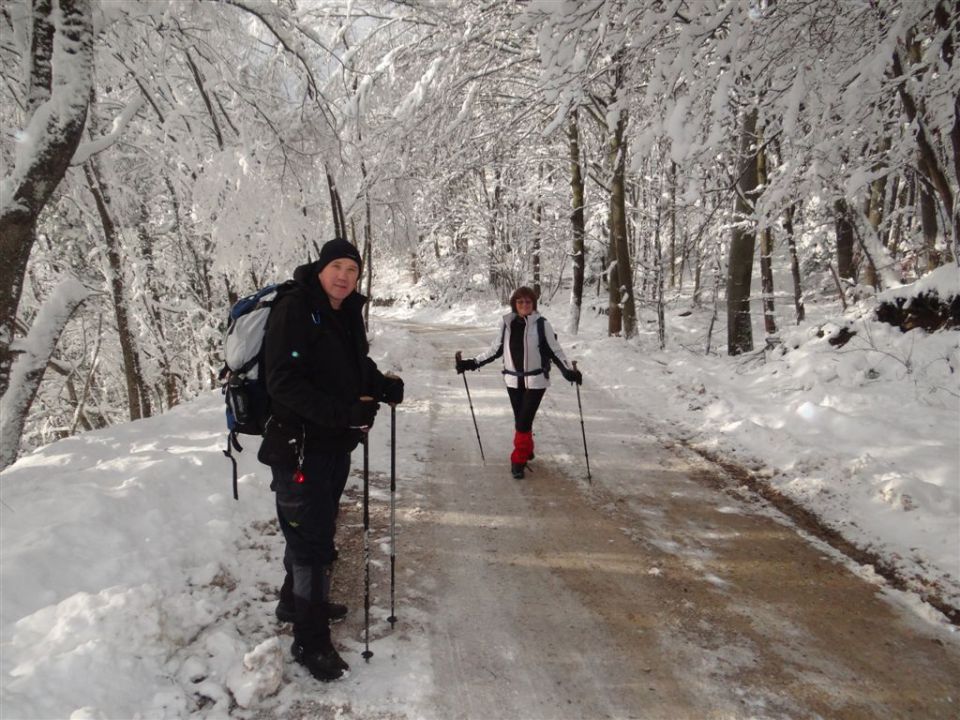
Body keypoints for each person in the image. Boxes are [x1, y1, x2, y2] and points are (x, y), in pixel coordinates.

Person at [257, 237, 404, 682]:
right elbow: (281, 382)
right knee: (311, 545)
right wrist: (344, 413)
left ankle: (294, 600)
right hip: (299, 448)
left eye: (353, 270)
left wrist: (380, 384)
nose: (345, 276)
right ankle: (310, 639)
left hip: (333, 445)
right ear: (320, 268)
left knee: (315, 531)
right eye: (337, 266)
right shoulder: (295, 309)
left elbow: (352, 364)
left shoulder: (343, 312)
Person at [456, 286, 581, 479]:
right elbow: (495, 350)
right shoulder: (507, 324)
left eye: (528, 302)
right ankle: (527, 448)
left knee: (523, 421)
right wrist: (472, 363)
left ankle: (518, 459)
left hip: (537, 380)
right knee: (521, 419)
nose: (524, 305)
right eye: (520, 301)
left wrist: (568, 371)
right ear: (514, 304)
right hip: (513, 380)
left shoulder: (542, 324)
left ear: (533, 304)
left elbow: (555, 351)